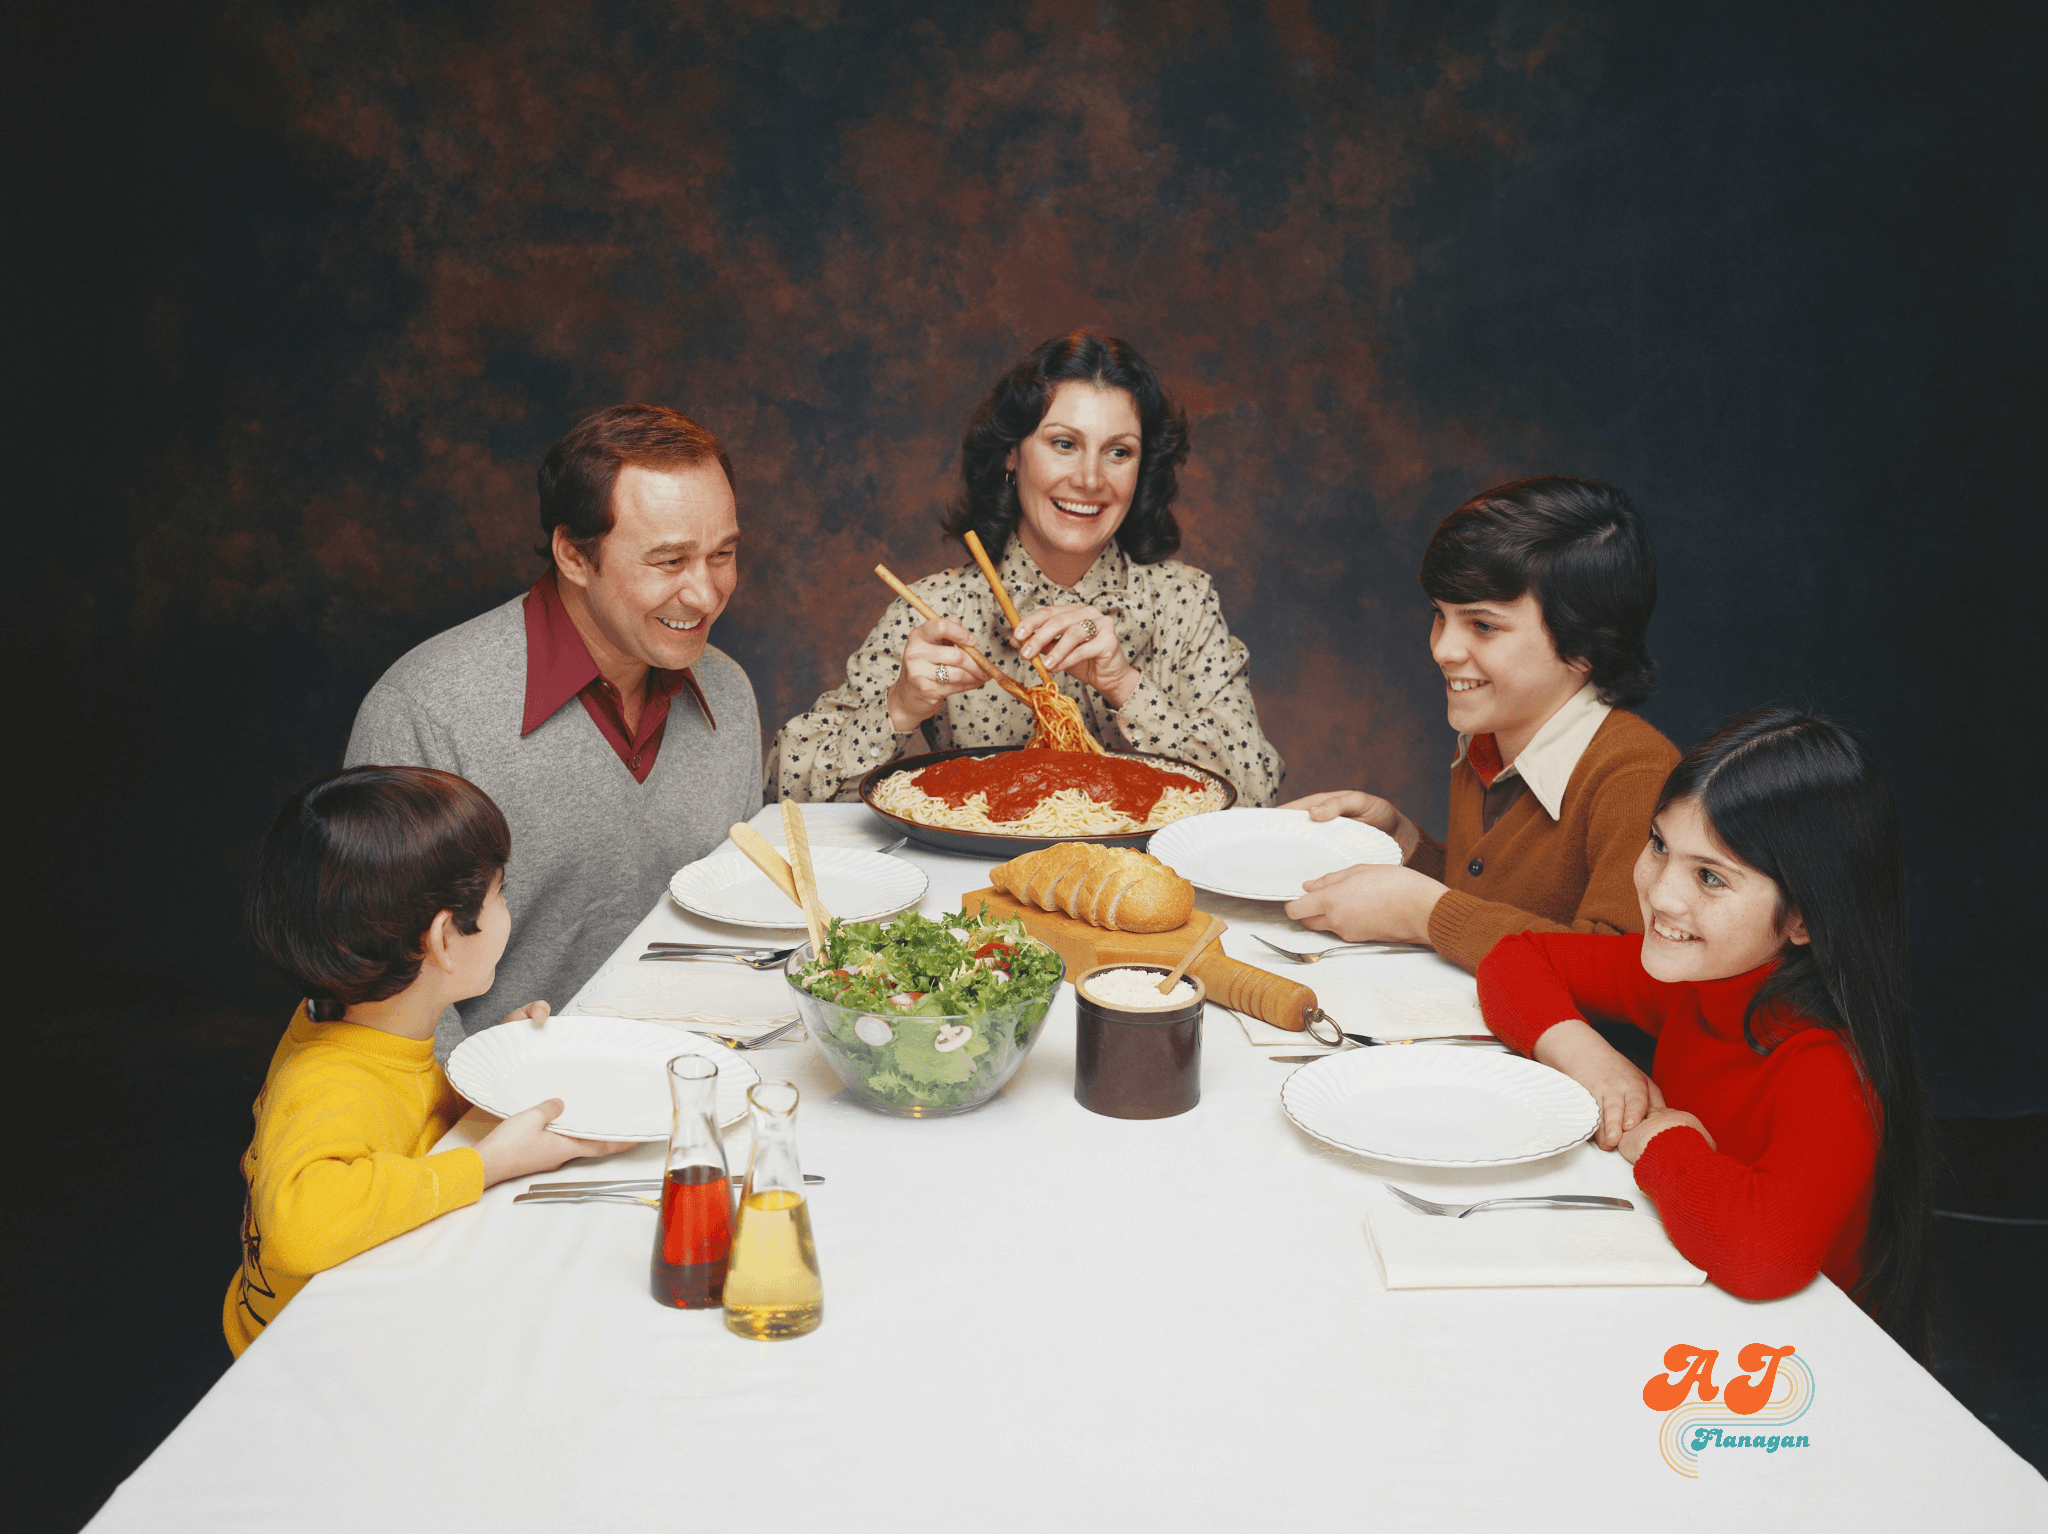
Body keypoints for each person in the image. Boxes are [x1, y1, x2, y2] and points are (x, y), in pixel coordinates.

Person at [1475, 709, 1932, 1354]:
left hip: (1799, 1369)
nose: (1662, 895)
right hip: (1690, 1316)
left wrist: (1666, 1141)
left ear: (1803, 917)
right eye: (1660, 845)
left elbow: (1762, 1255)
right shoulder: (1699, 977)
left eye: (1710, 877)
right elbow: (1515, 958)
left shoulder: (1827, 1065)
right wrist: (1589, 1058)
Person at [345, 405, 761, 1057]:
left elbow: (736, 923)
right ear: (573, 553)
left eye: (723, 555)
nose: (706, 595)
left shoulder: (729, 691)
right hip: (501, 1123)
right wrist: (490, 1110)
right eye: (670, 561)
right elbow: (382, 989)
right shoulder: (426, 710)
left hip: (697, 1082)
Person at [771, 330, 1284, 804]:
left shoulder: (1184, 602)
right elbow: (783, 790)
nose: (1089, 479)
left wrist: (1125, 684)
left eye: (1118, 452)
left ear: (1141, 467)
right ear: (1011, 455)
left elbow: (1258, 794)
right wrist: (899, 707)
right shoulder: (938, 609)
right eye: (1064, 444)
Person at [227, 766, 632, 1358]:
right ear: (446, 939)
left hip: (370, 1304)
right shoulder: (328, 1082)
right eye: (500, 894)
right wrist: (487, 1162)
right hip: (307, 1355)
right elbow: (297, 1225)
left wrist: (494, 1070)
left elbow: (401, 1126)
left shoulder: (350, 1019)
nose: (507, 909)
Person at [1284, 476, 1676, 971]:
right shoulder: (1485, 740)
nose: (1444, 650)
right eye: (1440, 616)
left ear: (1582, 645)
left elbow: (1625, 972)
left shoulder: (1636, 776)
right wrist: (1404, 844)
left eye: (1483, 626)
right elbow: (1495, 899)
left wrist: (1426, 914)